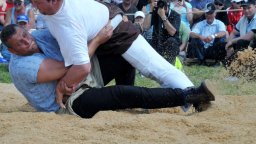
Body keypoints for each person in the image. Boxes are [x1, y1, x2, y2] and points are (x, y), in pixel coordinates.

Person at [0, 0, 194, 108]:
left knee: (155, 68)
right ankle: (184, 96)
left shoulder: (68, 25)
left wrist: (61, 87)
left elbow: (82, 67)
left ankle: (193, 96)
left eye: (37, 1)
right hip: (98, 26)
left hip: (112, 29)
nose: (32, 4)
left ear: (53, 0)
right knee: (124, 84)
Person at [0, 24, 215, 118]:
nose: (28, 42)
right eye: (20, 43)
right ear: (11, 50)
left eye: (25, 36)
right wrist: (97, 41)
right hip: (70, 103)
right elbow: (70, 65)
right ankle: (188, 95)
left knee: (123, 52)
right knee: (119, 94)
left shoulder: (37, 36)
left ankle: (129, 104)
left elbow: (75, 41)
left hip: (81, 77)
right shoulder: (21, 66)